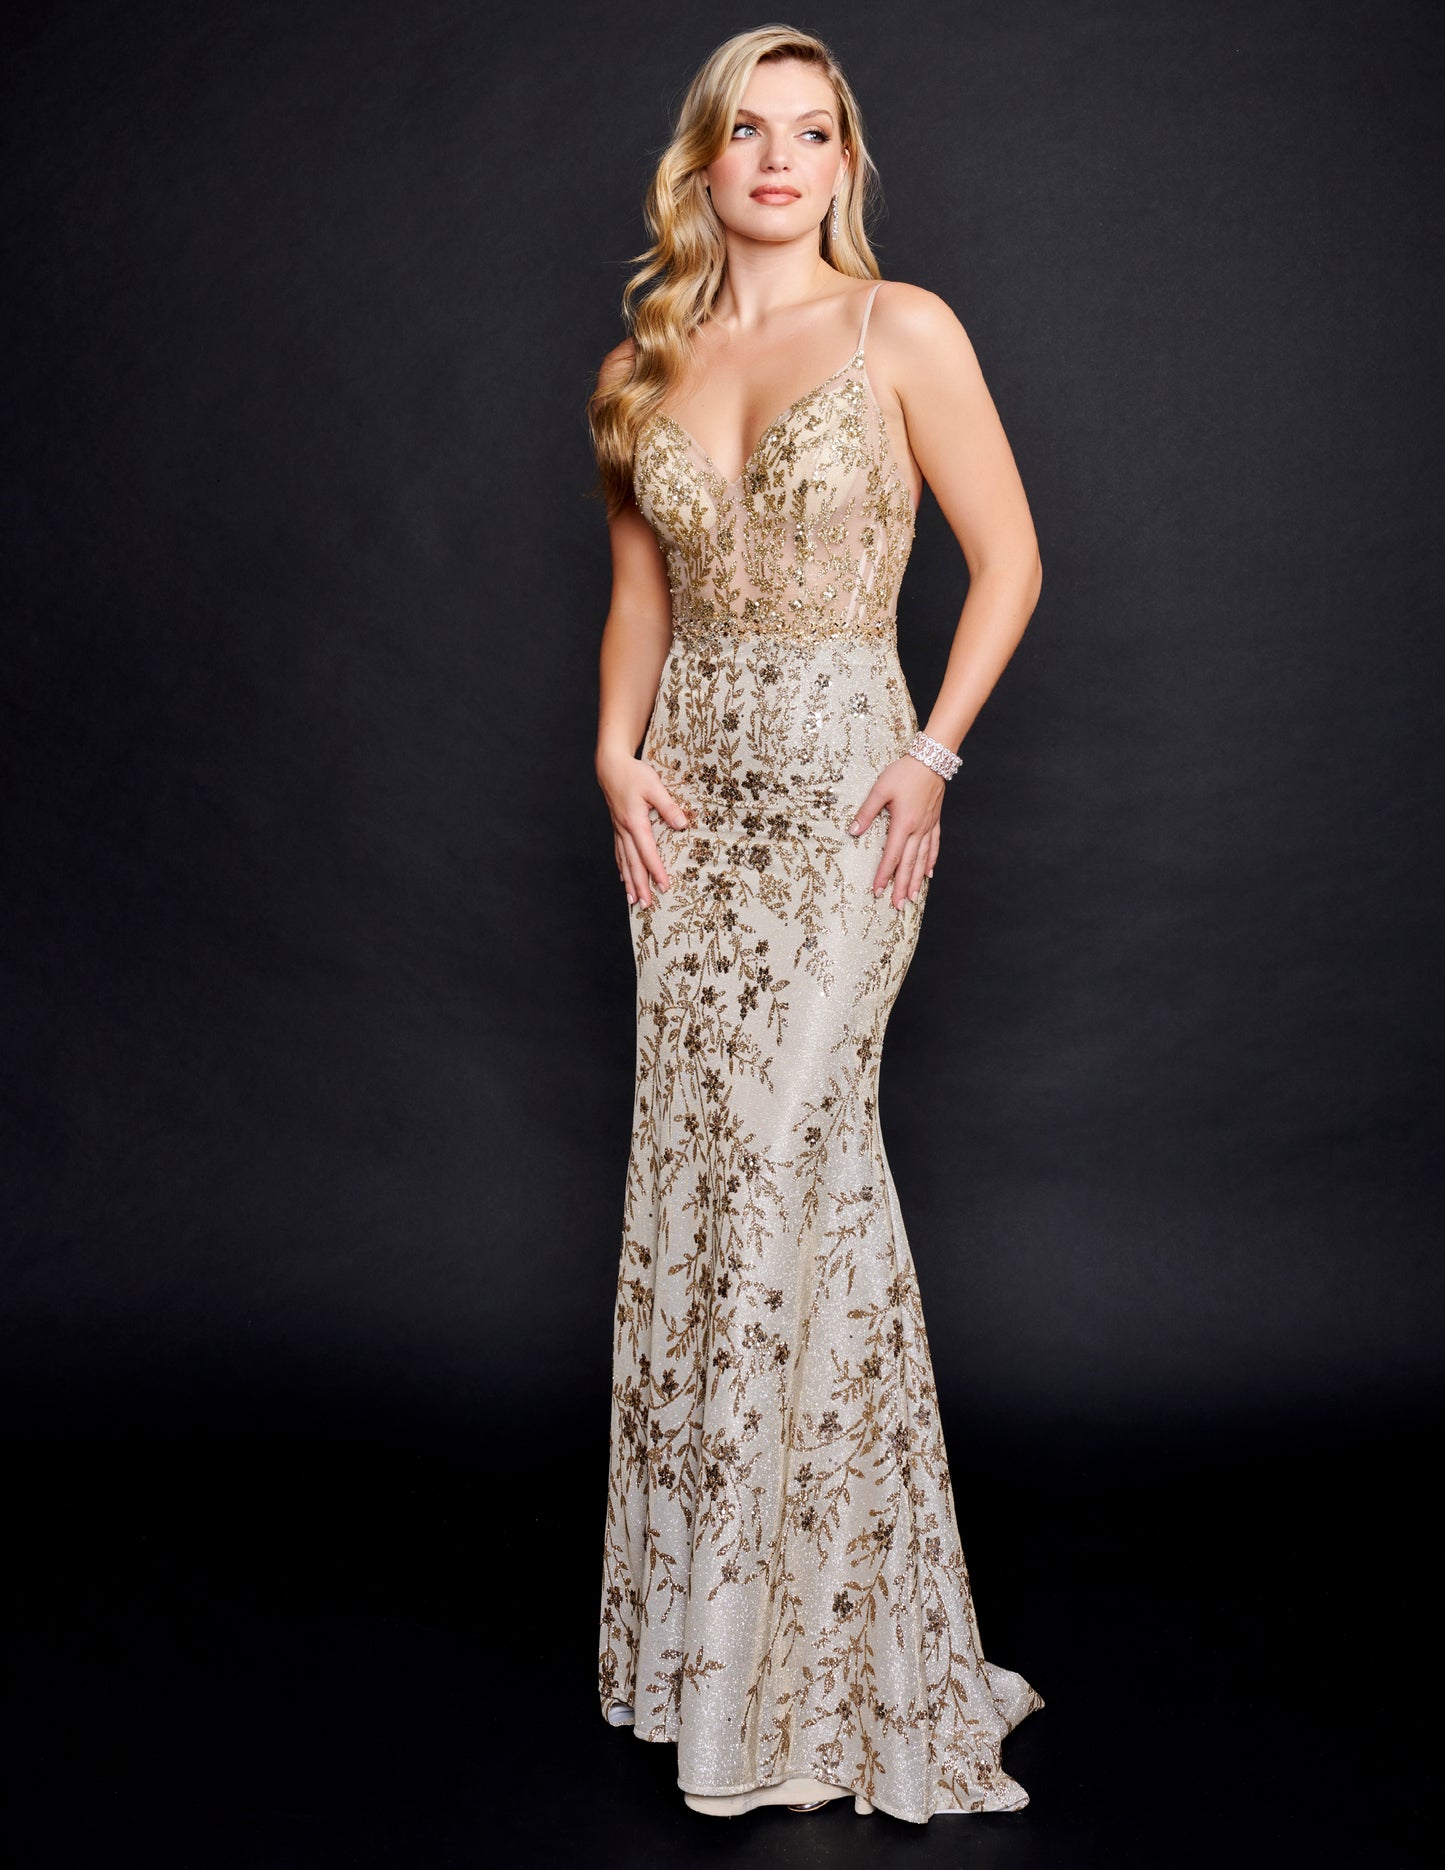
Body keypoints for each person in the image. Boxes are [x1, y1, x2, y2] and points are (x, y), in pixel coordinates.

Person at [588, 23, 1044, 1825]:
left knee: (792, 1159)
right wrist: (611, 752)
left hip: (849, 799)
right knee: (711, 1196)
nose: (780, 159)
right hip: (691, 817)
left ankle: (836, 1649)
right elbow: (640, 591)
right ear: (702, 162)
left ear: (843, 161)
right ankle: (725, 1658)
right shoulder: (644, 358)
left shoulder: (900, 329)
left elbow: (1008, 561)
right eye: (748, 131)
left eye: (813, 131)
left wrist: (931, 754)